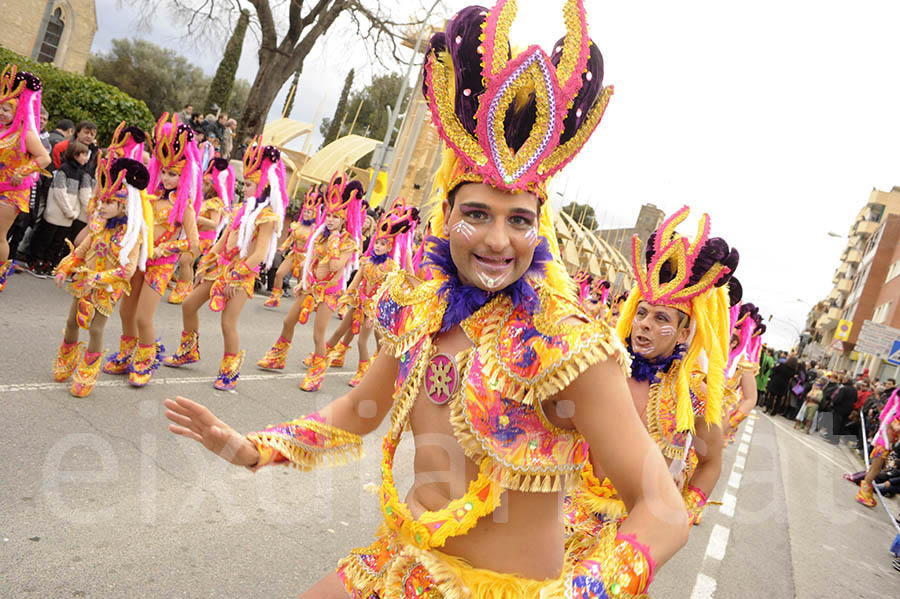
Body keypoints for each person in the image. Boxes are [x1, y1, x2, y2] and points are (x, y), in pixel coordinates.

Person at [164, 3, 689, 596]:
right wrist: (256, 448)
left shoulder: (564, 346)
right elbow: (360, 411)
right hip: (400, 560)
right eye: (477, 214)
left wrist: (585, 590)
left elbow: (663, 508)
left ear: (539, 229)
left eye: (519, 220)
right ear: (445, 216)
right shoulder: (418, 307)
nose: (498, 239)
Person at [567, 207, 739, 534]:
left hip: (630, 532)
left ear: (684, 332)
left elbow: (711, 462)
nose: (644, 324)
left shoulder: (692, 397)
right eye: (643, 313)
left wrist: (682, 515)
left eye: (662, 319)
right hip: (566, 512)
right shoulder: (599, 366)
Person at [164, 141, 286, 390]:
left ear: (263, 185)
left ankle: (230, 370)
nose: (245, 187)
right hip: (220, 268)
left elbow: (260, 254)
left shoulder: (266, 217)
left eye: (250, 184)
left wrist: (235, 277)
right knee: (188, 304)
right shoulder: (242, 209)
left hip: (241, 275)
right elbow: (222, 240)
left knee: (228, 322)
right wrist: (206, 264)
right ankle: (188, 351)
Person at [103, 113, 200, 386]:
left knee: (144, 316)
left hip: (161, 265)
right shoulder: (148, 196)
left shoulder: (184, 207)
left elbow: (194, 243)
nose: (167, 178)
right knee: (125, 311)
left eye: (174, 174)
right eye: (165, 172)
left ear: (183, 175)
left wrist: (165, 247)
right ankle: (127, 351)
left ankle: (145, 358)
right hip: (139, 261)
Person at [52, 158, 152, 396]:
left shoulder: (131, 235)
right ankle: (67, 355)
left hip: (107, 288)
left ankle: (88, 369)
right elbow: (82, 250)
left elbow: (126, 271)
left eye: (109, 202)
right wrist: (66, 267)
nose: (102, 206)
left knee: (96, 329)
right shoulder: (99, 226)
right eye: (102, 201)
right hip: (83, 283)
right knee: (71, 321)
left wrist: (97, 278)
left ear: (124, 206)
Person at [257, 172, 364, 392]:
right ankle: (278, 357)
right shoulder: (320, 235)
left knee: (318, 334)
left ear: (344, 219)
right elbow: (312, 260)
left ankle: (316, 375)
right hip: (311, 287)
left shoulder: (348, 242)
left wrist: (334, 242)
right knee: (288, 320)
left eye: (336, 217)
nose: (331, 220)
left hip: (329, 292)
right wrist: (303, 281)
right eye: (330, 215)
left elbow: (335, 267)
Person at [321, 201, 418, 387]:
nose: (379, 246)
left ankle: (365, 371)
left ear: (390, 248)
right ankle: (321, 356)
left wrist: (375, 314)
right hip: (359, 303)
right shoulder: (367, 261)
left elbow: (387, 293)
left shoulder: (391, 267)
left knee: (363, 341)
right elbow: (356, 281)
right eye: (378, 242)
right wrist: (345, 298)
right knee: (340, 330)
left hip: (373, 310)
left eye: (383, 244)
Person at [0, 64, 51, 291]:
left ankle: (0, 273)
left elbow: (44, 158)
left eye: (7, 109)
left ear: (18, 109)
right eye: (0, 107)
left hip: (12, 191)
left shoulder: (25, 133)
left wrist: (23, 171)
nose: (2, 112)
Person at [167, 157, 229, 304]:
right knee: (185, 261)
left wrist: (194, 217)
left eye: (204, 184)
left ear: (212, 186)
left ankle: (183, 289)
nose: (201, 185)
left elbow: (214, 224)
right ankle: (187, 288)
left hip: (205, 237)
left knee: (186, 260)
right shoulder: (201, 201)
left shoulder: (215, 203)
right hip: (194, 234)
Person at [31, 141, 92, 274]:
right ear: (76, 155)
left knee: (58, 241)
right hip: (57, 212)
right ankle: (37, 262)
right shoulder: (64, 170)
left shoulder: (80, 173)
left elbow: (80, 195)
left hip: (68, 215)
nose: (86, 158)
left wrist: (73, 212)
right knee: (46, 238)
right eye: (84, 155)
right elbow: (59, 192)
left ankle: (50, 263)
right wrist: (69, 211)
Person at [262, 185, 321, 309]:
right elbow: (290, 239)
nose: (306, 214)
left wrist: (308, 259)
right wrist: (283, 248)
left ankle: (301, 304)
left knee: (302, 283)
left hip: (305, 258)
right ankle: (275, 297)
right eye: (305, 211)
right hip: (293, 254)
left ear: (314, 214)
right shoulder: (297, 225)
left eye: (309, 212)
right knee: (279, 273)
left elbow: (317, 246)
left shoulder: (315, 230)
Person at [856, 390, 900, 507]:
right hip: (883, 446)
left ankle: (866, 492)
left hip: (882, 445)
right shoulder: (894, 418)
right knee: (874, 470)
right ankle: (863, 493)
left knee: (873, 469)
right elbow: (894, 429)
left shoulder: (892, 415)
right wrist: (890, 443)